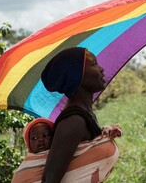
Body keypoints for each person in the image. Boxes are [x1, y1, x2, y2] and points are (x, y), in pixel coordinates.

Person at [40, 47, 122, 183]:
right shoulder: (74, 121)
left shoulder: (84, 115)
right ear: (76, 75)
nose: (101, 69)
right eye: (94, 64)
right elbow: (49, 180)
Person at [11, 118, 54, 183]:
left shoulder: (59, 154)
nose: (41, 139)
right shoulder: (25, 168)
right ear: (28, 143)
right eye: (34, 138)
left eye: (46, 135)